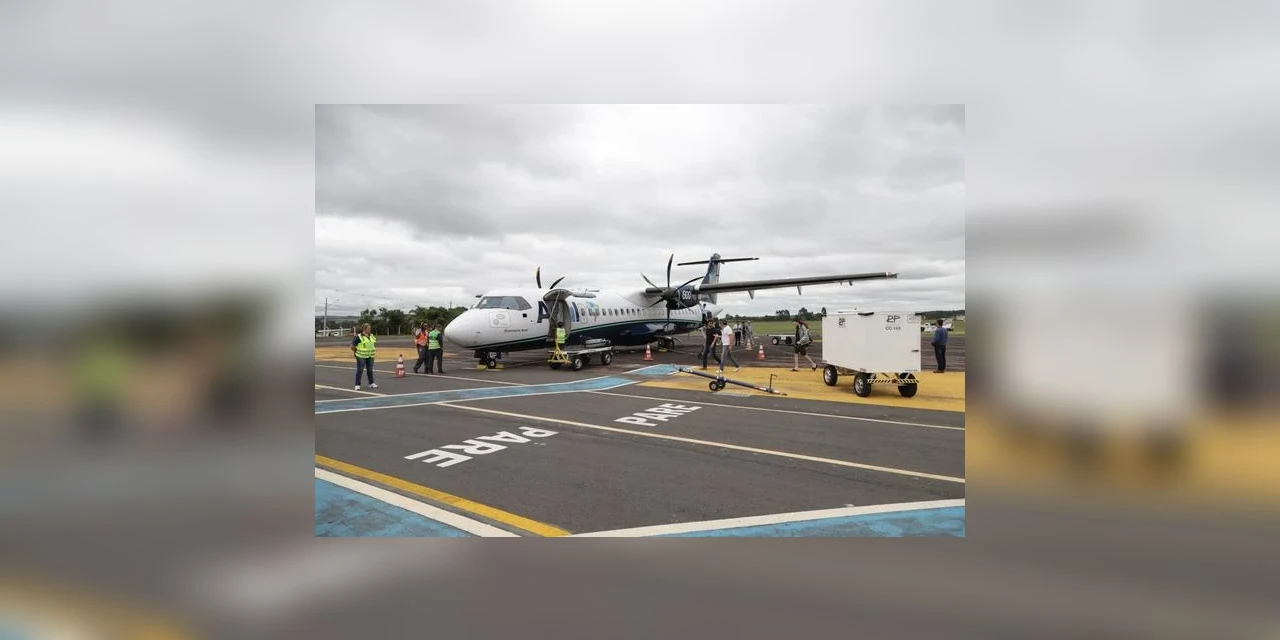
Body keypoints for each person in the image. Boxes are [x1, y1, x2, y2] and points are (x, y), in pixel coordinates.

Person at [351, 323, 378, 390]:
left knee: (370, 370)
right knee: (360, 370)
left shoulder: (371, 336)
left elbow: (373, 344)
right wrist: (356, 351)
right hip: (361, 356)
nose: (370, 329)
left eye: (370, 328)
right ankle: (357, 385)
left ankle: (371, 383)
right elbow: (352, 346)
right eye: (369, 328)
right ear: (364, 329)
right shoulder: (359, 337)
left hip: (370, 356)